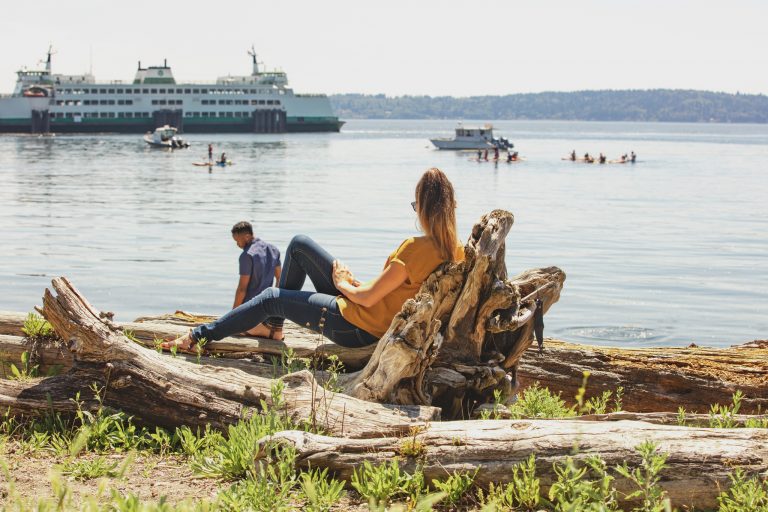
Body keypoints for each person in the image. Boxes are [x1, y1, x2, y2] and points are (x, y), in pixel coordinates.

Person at [162, 168, 464, 351]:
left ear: (424, 208)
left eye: (415, 206)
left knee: (271, 296)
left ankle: (196, 337)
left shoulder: (414, 248)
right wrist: (353, 284)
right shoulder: (457, 251)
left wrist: (344, 284)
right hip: (370, 316)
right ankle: (274, 329)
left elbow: (371, 299)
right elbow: (396, 292)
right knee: (299, 246)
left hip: (357, 328)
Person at [230, 221, 282, 311]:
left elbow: (242, 289)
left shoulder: (247, 255)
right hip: (267, 306)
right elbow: (279, 279)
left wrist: (233, 313)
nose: (237, 245)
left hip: (249, 307)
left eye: (238, 241)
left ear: (247, 237)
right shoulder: (273, 249)